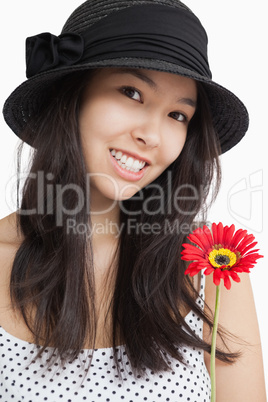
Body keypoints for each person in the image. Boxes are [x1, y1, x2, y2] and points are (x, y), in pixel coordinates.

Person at [0, 0, 266, 401]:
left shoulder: (211, 264)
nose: (152, 136)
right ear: (71, 96)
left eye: (178, 115)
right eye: (132, 92)